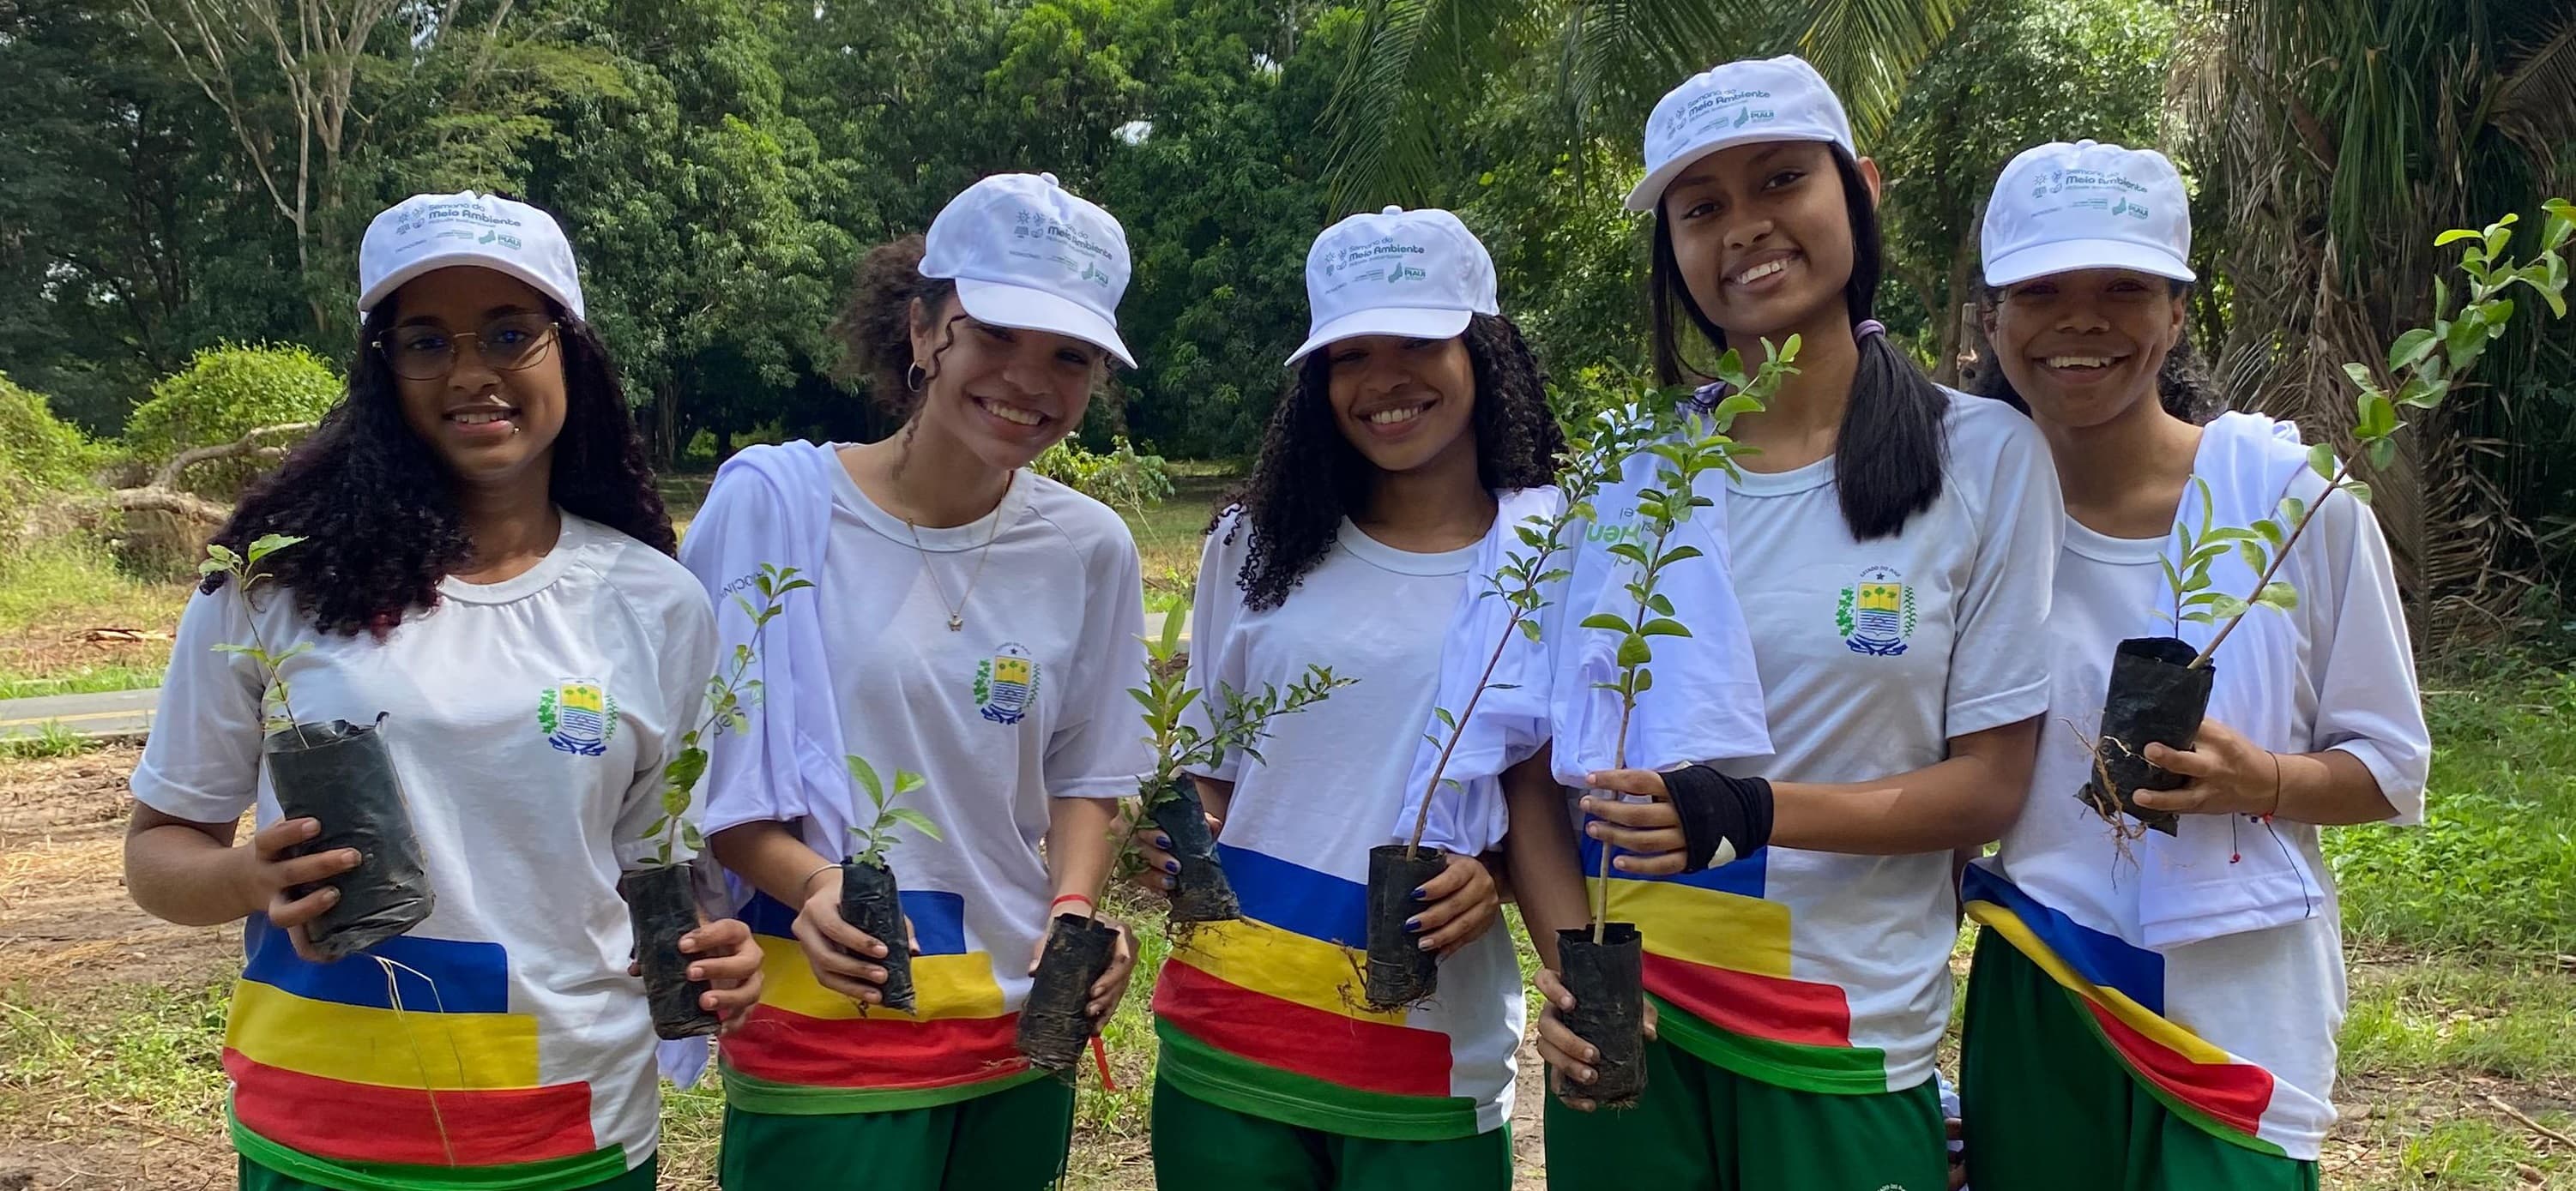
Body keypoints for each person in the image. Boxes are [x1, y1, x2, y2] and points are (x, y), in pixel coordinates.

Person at [124, 190, 764, 1191]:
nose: (471, 373)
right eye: (426, 342)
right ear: (383, 373)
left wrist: (715, 953)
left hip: (566, 1130)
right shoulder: (270, 585)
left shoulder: (657, 603)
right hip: (321, 1128)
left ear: (571, 355)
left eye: (511, 333)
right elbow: (158, 852)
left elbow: (660, 868)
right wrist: (249, 879)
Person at [1514, 55, 2062, 1191]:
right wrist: (1573, 969)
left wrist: (1752, 812)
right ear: (1669, 245)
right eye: (1700, 206)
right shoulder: (1627, 469)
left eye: (1778, 182)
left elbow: (1987, 787)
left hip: (1837, 1031)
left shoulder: (1984, 458)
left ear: (1856, 190)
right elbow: (1532, 759)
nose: (1744, 228)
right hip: (1638, 1033)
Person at [1958, 140, 2429, 1190]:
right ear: (1994, 319)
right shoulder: (1964, 525)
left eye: (2125, 287)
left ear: (2176, 314)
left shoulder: (2294, 506)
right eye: (2042, 290)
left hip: (2242, 1008)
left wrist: (2257, 781)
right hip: (2049, 983)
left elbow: (2391, 766)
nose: (2083, 319)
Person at [682, 171, 1149, 1189]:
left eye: (1068, 356)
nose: (1028, 381)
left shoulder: (1089, 547)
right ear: (924, 329)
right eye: (994, 336)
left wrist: (1075, 909)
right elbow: (701, 769)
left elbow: (1090, 770)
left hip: (1017, 1032)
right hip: (828, 1025)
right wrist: (811, 884)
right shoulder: (773, 508)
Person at [1130, 206, 1557, 1188]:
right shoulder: (1254, 546)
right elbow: (1216, 775)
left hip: (1423, 1058)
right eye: (1349, 355)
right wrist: (1171, 839)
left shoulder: (1547, 554)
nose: (1384, 380)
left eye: (1418, 341)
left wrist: (1487, 868)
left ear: (1484, 351)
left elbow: (1553, 788)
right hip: (1227, 1036)